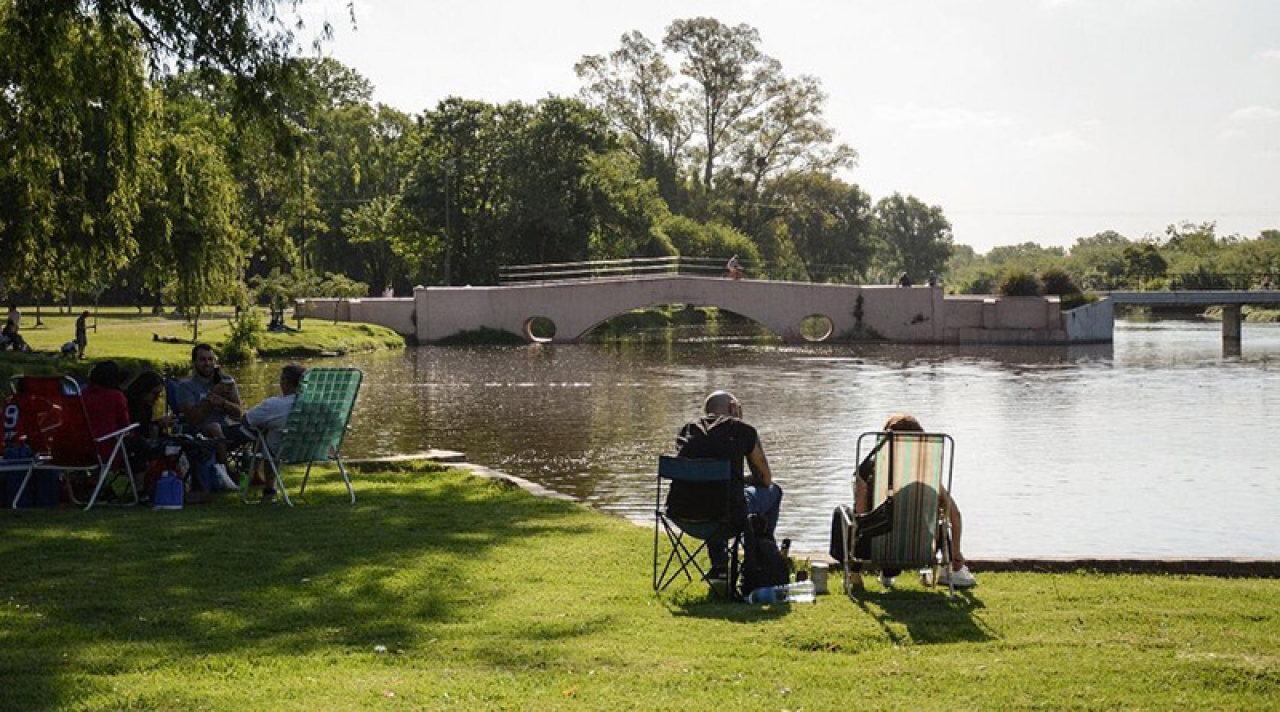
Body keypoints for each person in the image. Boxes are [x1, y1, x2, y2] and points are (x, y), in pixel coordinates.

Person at [852, 413, 975, 588]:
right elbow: (955, 515)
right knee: (939, 518)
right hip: (922, 550)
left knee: (847, 516)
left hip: (875, 550)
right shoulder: (926, 474)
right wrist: (956, 553)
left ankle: (855, 575)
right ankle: (945, 571)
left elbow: (861, 515)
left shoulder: (868, 470)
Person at [671, 390, 783, 580]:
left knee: (711, 493)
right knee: (774, 491)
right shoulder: (742, 430)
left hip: (682, 515)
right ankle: (761, 559)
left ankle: (720, 565)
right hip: (727, 517)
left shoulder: (688, 430)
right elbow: (765, 478)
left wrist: (739, 480)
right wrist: (747, 479)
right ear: (733, 407)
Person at [227, 363, 306, 501]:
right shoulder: (315, 404)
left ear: (284, 382)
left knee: (266, 433)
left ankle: (269, 487)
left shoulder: (275, 405)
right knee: (272, 432)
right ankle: (267, 486)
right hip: (310, 449)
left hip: (282, 450)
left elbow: (246, 419)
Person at [173, 343, 243, 438]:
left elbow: (238, 413)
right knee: (214, 428)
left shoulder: (226, 381)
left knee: (257, 423)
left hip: (226, 427)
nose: (207, 363)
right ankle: (223, 453)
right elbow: (194, 419)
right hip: (200, 432)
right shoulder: (185, 387)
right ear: (194, 362)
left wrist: (223, 402)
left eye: (210, 359)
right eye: (202, 360)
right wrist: (213, 395)